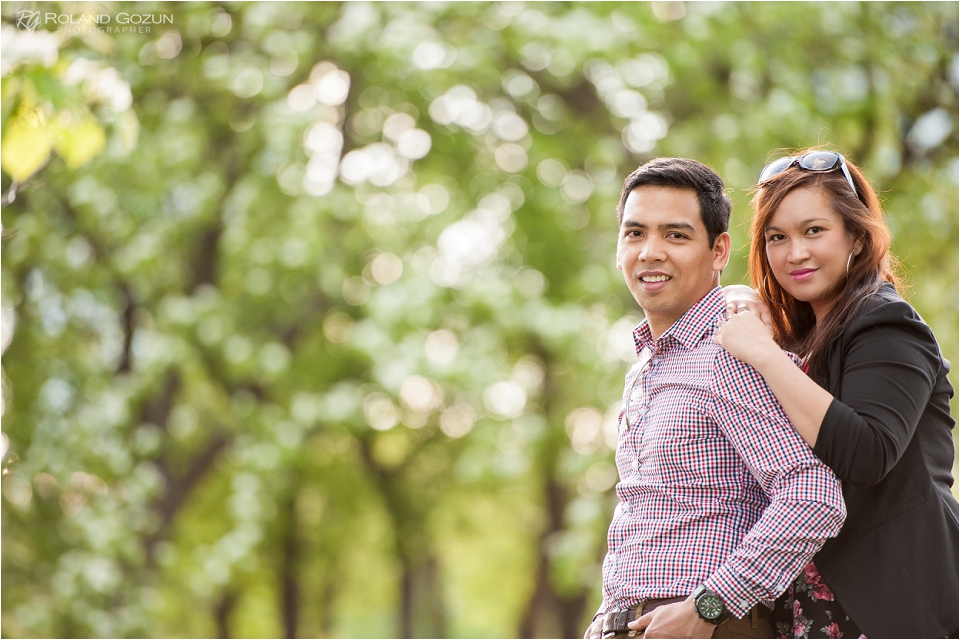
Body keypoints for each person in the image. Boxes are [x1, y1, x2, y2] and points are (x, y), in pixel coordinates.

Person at [583, 157, 846, 640]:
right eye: (635, 233)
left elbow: (813, 496)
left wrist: (708, 606)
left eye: (676, 236)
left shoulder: (734, 352)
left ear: (719, 249)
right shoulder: (648, 365)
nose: (650, 252)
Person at [714, 149, 959, 638]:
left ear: (856, 234)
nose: (794, 253)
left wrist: (764, 356)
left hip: (891, 600)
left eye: (813, 231)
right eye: (775, 238)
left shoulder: (886, 321)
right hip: (803, 606)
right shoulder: (803, 335)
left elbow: (868, 452)